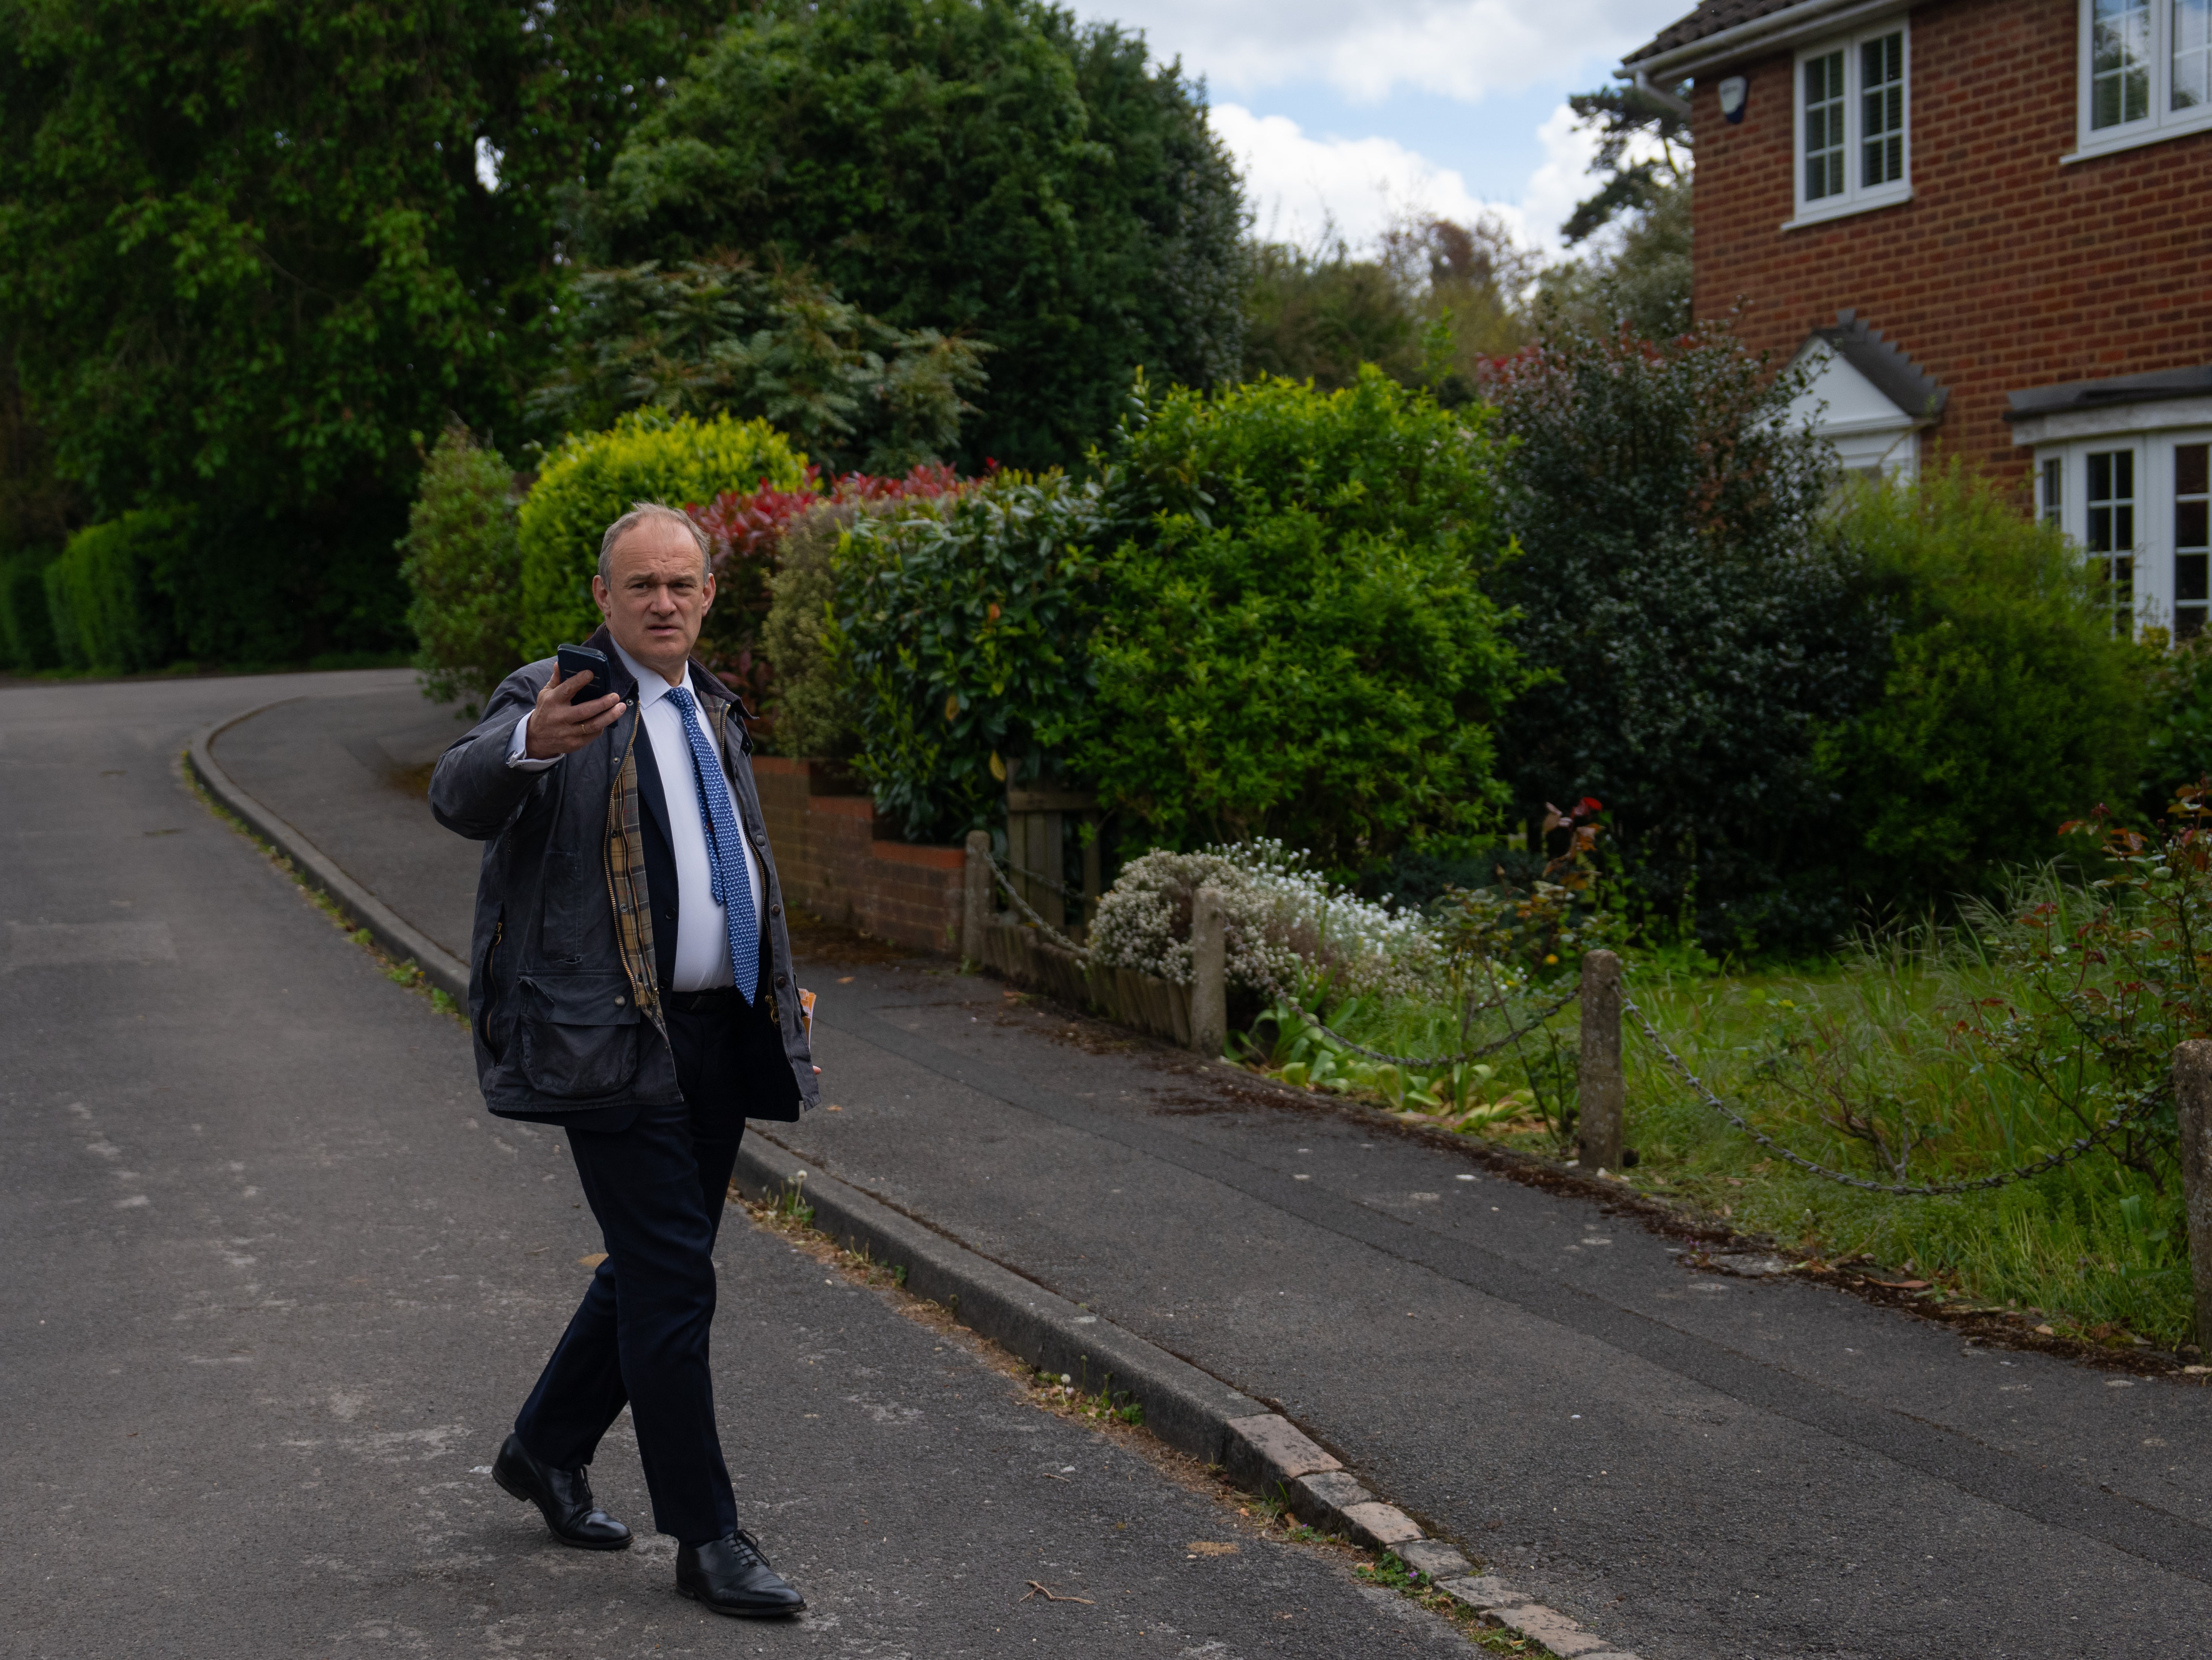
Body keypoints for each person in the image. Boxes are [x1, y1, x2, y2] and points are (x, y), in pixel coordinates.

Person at [429, 501, 818, 1619]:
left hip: (716, 1027)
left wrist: (777, 980)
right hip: (607, 1037)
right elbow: (457, 794)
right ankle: (708, 1537)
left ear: (707, 595)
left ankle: (545, 1444)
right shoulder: (562, 694)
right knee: (673, 1278)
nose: (662, 602)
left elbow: (733, 858)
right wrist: (522, 746)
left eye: (681, 584)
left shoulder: (712, 704)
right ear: (603, 598)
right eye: (640, 585)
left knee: (660, 1262)